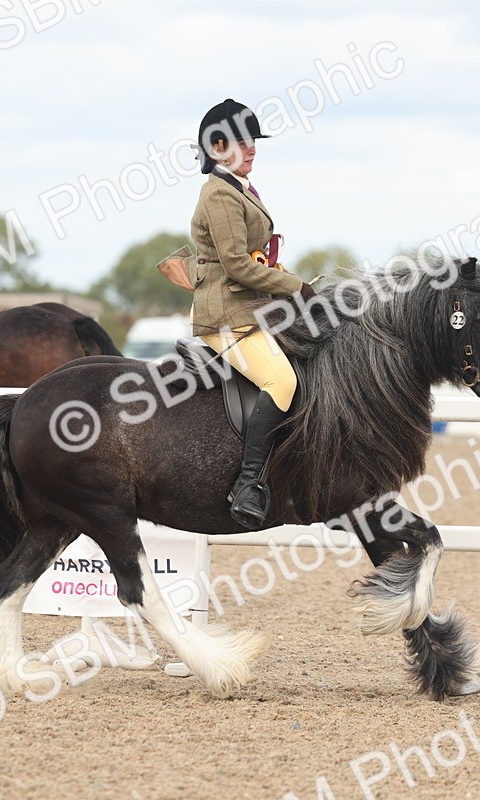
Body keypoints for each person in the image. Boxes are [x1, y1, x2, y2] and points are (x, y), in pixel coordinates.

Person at [188, 98, 316, 528]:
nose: (253, 148)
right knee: (282, 380)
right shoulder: (220, 196)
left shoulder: (239, 187)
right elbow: (238, 265)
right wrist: (296, 287)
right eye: (244, 141)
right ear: (219, 146)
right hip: (226, 316)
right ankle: (249, 484)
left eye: (253, 141)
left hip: (251, 308)